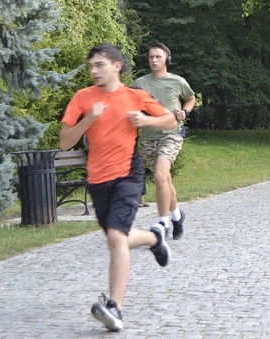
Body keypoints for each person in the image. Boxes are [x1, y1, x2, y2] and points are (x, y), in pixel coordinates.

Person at [59, 43, 176, 332]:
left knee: (115, 237)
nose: (94, 71)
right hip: (98, 180)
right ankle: (153, 238)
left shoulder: (134, 96)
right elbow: (64, 142)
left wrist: (146, 119)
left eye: (99, 64)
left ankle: (115, 307)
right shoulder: (83, 98)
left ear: (116, 66)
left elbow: (171, 119)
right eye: (91, 66)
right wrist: (89, 118)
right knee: (118, 237)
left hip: (128, 174)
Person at [133, 42, 195, 240]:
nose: (154, 60)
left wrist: (184, 112)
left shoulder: (177, 81)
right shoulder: (139, 83)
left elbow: (191, 98)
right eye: (151, 57)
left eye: (158, 57)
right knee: (164, 180)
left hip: (172, 135)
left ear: (166, 59)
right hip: (148, 139)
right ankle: (177, 216)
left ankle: (162, 223)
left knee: (160, 175)